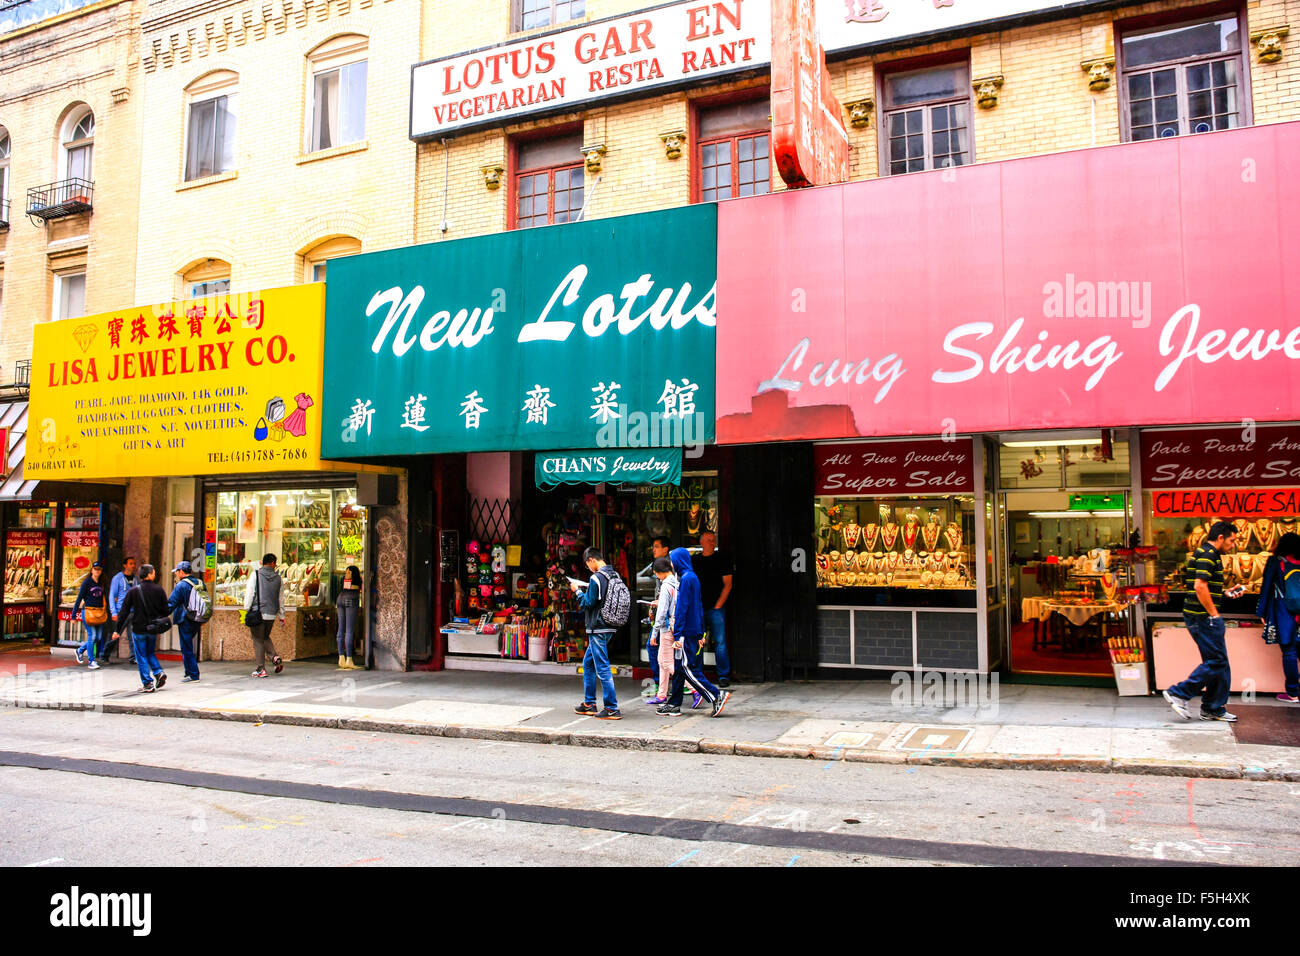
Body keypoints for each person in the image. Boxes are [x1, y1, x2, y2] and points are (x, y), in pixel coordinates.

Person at [1164, 521, 1241, 722]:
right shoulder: (1208, 554)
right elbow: (1199, 587)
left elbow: (1202, 587)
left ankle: (1213, 708)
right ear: (1221, 537)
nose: (1233, 545)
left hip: (1199, 615)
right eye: (1232, 540)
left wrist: (1223, 593)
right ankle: (1179, 693)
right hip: (1203, 618)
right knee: (1217, 661)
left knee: (1218, 662)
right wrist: (1214, 615)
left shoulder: (1205, 552)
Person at [659, 547, 730, 718]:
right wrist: (700, 632)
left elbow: (682, 608)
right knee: (679, 667)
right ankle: (674, 703)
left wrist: (677, 634)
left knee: (686, 667)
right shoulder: (693, 577)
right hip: (692, 630)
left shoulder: (686, 579)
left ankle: (715, 695)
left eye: (672, 560)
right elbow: (697, 606)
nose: (671, 563)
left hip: (685, 632)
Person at [571, 546, 622, 720]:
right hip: (609, 624)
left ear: (591, 560)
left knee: (602, 667)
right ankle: (589, 703)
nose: (588, 568)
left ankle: (612, 707)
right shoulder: (614, 575)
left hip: (598, 627)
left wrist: (577, 591)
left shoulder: (596, 578)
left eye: (587, 565)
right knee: (589, 663)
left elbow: (587, 603)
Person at [1257, 531, 1300, 703]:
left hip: (1283, 610)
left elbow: (1266, 587)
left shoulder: (1276, 561)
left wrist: (1261, 612)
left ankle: (1292, 693)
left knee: (1288, 651)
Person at [114, 563, 170, 693]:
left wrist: (117, 629)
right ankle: (158, 672)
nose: (155, 574)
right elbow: (166, 610)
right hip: (153, 628)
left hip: (139, 628)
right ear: (150, 574)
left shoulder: (133, 591)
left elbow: (124, 612)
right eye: (154, 572)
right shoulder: (159, 590)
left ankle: (148, 683)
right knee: (150, 652)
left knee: (141, 656)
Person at [693, 530, 734, 687]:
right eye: (709, 540)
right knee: (698, 641)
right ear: (701, 542)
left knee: (720, 642)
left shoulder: (722, 559)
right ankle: (697, 674)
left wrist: (718, 605)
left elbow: (728, 584)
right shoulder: (695, 561)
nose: (712, 543)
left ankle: (723, 675)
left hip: (715, 608)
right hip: (699, 608)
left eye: (714, 540)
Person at [244, 552, 286, 678]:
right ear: (273, 563)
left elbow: (250, 593)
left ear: (263, 562)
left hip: (258, 612)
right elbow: (281, 599)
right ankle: (274, 657)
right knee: (264, 636)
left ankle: (260, 669)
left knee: (257, 639)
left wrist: (246, 609)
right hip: (271, 614)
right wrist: (282, 616)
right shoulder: (279, 579)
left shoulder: (255, 575)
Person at [646, 556, 678, 705]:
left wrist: (654, 633)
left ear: (659, 572)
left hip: (666, 628)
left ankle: (694, 686)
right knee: (662, 661)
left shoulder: (666, 586)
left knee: (666, 663)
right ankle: (661, 695)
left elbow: (661, 612)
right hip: (674, 625)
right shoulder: (676, 583)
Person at [167, 560, 204, 683]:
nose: (176, 574)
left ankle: (193, 674)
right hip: (197, 618)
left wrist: (159, 614)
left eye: (177, 572)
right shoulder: (200, 582)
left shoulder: (182, 585)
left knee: (186, 647)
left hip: (185, 619)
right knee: (188, 645)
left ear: (181, 572)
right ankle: (188, 671)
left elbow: (171, 603)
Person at [73, 562, 106, 670]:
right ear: (91, 570)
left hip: (99, 612)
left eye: (99, 569)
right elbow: (79, 598)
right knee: (92, 636)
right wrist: (73, 616)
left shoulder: (101, 583)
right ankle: (91, 661)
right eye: (95, 569)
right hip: (88, 612)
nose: (97, 571)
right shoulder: (87, 582)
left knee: (99, 637)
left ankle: (80, 650)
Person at [108, 556, 138, 662]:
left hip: (133, 611)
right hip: (121, 611)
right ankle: (105, 654)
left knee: (133, 635)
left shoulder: (135, 579)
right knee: (116, 633)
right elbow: (112, 595)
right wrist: (113, 612)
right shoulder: (118, 578)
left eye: (134, 563)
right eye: (130, 563)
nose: (133, 566)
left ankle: (133, 657)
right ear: (125, 565)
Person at [337, 565, 362, 670]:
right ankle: (349, 659)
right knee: (349, 630)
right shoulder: (357, 581)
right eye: (347, 572)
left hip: (340, 598)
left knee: (341, 628)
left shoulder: (344, 581)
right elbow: (359, 590)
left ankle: (341, 657)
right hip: (351, 599)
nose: (346, 574)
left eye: (348, 572)